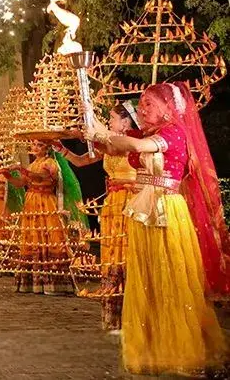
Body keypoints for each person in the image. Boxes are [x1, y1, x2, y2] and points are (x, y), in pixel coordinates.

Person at [88, 82, 228, 375]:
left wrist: (108, 135)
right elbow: (114, 144)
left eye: (149, 103)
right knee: (150, 277)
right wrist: (92, 125)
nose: (142, 108)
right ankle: (158, 348)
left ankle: (189, 351)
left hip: (166, 210)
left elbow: (134, 146)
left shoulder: (174, 133)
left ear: (168, 107)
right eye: (140, 103)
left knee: (172, 276)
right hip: (144, 211)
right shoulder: (149, 133)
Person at [56, 101, 140, 332]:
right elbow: (82, 161)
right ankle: (117, 314)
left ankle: (135, 314)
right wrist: (62, 149)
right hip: (112, 203)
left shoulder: (132, 141)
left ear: (126, 122)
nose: (110, 122)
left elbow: (108, 144)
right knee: (112, 253)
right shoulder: (110, 144)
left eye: (113, 118)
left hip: (130, 201)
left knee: (127, 252)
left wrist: (89, 130)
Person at [5, 140, 85, 295]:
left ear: (48, 148)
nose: (34, 148)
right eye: (34, 144)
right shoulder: (33, 163)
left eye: (39, 145)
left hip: (46, 202)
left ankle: (54, 282)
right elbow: (21, 183)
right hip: (31, 202)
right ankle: (34, 282)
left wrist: (21, 169)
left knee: (52, 237)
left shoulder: (51, 163)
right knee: (32, 238)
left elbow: (41, 177)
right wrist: (6, 174)